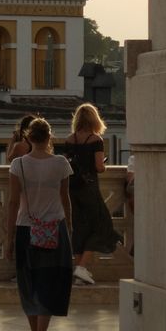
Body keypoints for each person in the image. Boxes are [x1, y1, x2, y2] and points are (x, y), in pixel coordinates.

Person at [4, 115, 74, 331]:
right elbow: (65, 199)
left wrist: (9, 237)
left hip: (26, 227)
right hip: (55, 228)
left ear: (28, 138)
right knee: (49, 283)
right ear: (49, 137)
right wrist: (70, 227)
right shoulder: (61, 163)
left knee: (29, 283)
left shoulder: (18, 165)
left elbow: (13, 202)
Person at [62, 103, 120, 285]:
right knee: (102, 225)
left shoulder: (69, 140)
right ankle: (81, 267)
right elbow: (99, 167)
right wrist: (103, 164)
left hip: (72, 189)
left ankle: (79, 271)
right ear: (94, 119)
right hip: (89, 189)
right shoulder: (96, 140)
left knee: (80, 227)